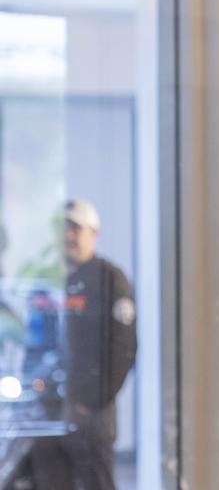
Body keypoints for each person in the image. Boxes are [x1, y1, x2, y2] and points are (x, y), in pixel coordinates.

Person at [30, 198, 137, 490]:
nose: (69, 236)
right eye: (63, 229)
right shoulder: (49, 280)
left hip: (94, 411)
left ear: (94, 233)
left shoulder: (110, 279)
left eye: (76, 229)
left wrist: (94, 401)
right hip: (54, 411)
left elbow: (124, 348)